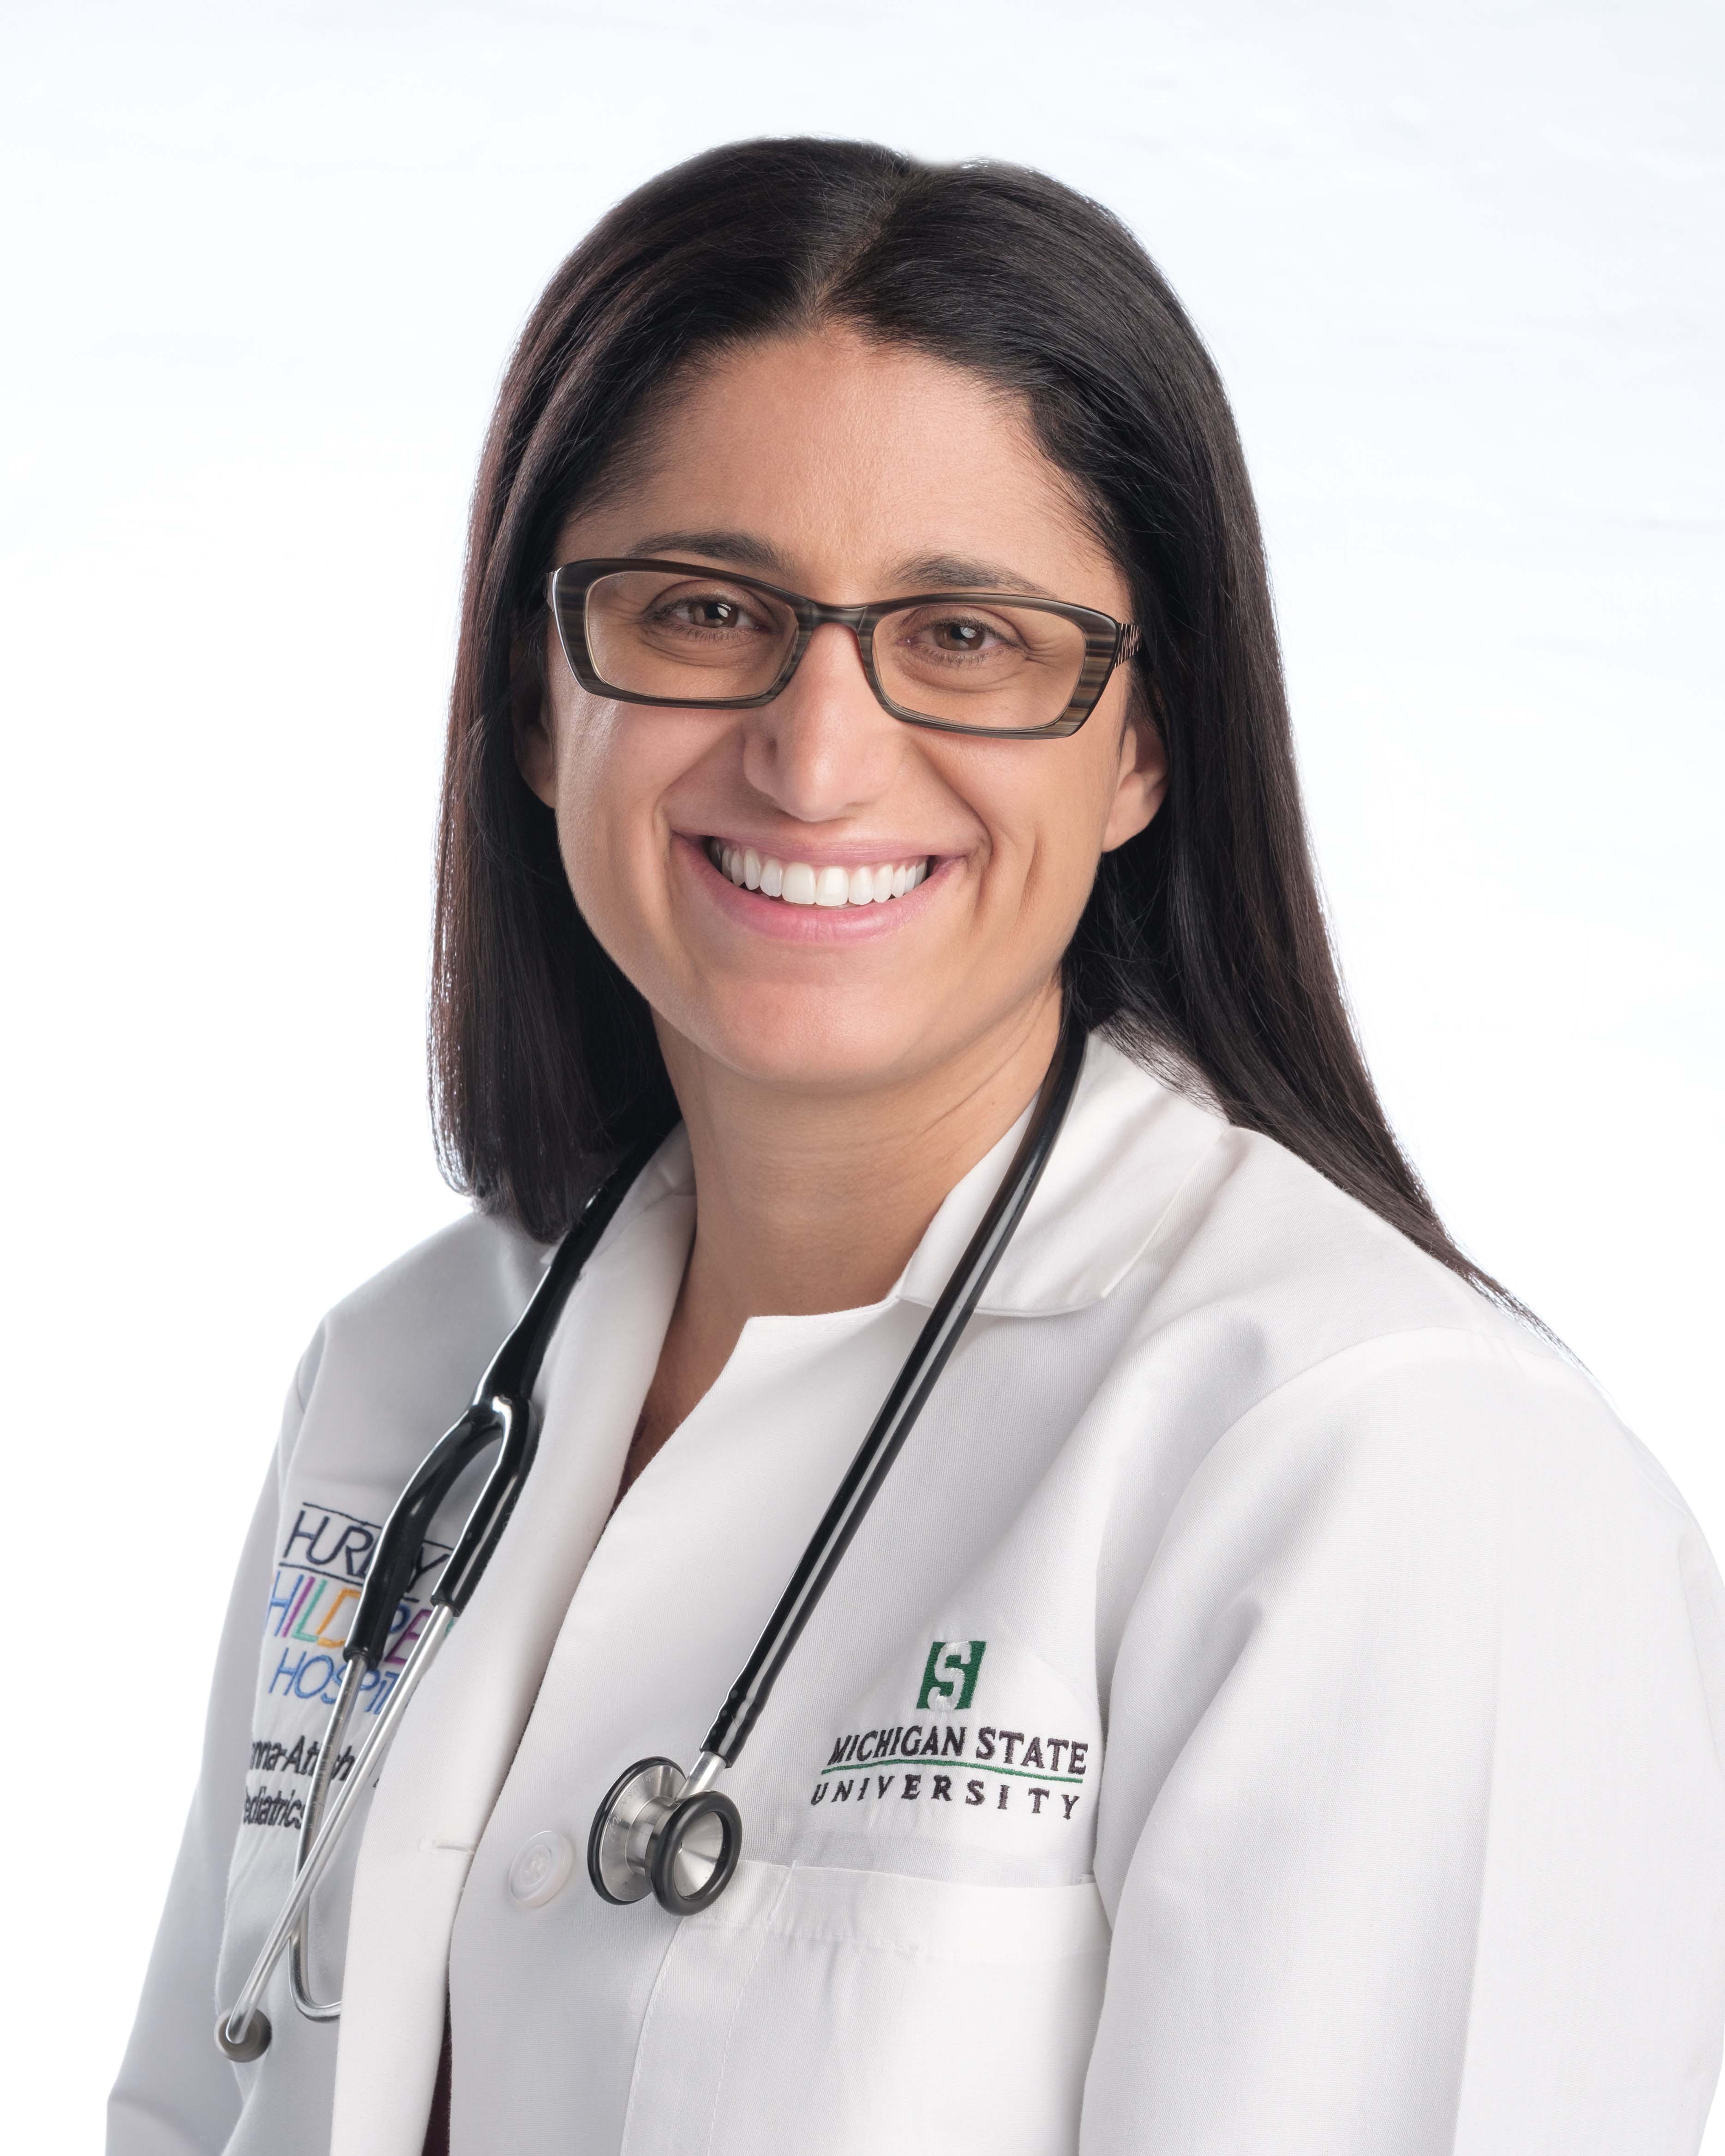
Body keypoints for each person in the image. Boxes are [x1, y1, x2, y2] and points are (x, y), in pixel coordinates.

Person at [109, 138, 1725, 2156]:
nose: (815, 756)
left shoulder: (1383, 1465)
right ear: (537, 699)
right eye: (705, 609)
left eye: (965, 635)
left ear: (1142, 743)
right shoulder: (404, 1377)